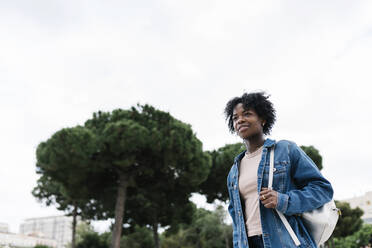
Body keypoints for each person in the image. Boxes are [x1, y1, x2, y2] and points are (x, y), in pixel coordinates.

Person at [225, 92, 334, 248]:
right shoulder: (234, 171)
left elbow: (323, 189)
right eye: (235, 118)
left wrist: (283, 200)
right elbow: (236, 217)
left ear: (263, 119)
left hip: (285, 241)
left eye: (247, 114)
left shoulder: (285, 150)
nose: (240, 120)